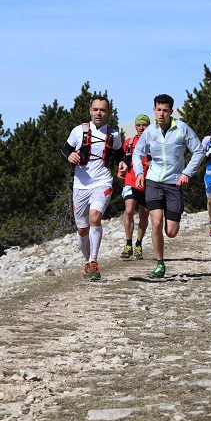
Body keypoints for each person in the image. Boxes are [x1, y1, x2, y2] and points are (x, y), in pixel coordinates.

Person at [133, 94, 205, 279]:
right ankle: (160, 264)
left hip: (174, 183)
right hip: (154, 181)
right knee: (155, 222)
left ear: (171, 111)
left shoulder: (182, 129)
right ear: (154, 110)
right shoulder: (150, 131)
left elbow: (198, 150)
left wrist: (186, 173)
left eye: (165, 110)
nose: (161, 114)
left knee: (171, 232)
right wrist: (140, 172)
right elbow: (137, 153)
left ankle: (168, 229)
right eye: (158, 110)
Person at [60, 96, 123, 282]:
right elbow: (65, 149)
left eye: (103, 110)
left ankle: (94, 261)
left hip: (102, 181)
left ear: (108, 113)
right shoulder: (79, 131)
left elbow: (120, 154)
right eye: (95, 109)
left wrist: (122, 164)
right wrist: (69, 156)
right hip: (80, 185)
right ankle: (87, 261)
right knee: (82, 229)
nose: (99, 113)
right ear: (90, 111)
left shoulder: (114, 135)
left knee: (95, 217)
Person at [118, 114, 152, 260]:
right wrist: (120, 170)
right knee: (129, 210)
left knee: (144, 215)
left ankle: (138, 244)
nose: (141, 128)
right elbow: (121, 160)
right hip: (131, 180)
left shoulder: (154, 143)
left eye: (144, 125)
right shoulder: (129, 142)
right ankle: (128, 243)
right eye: (139, 125)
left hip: (148, 183)